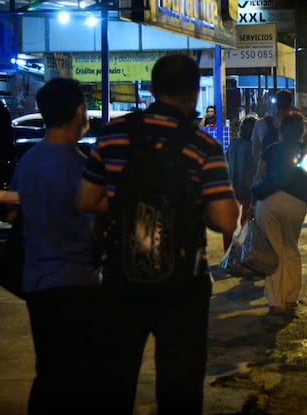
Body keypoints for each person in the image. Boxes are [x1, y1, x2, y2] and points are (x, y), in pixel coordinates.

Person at [77, 53, 240, 414]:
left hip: (120, 279)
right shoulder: (204, 146)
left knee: (112, 384)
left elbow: (86, 198)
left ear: (152, 90)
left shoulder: (114, 133)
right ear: (196, 93)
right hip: (182, 284)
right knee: (179, 389)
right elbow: (226, 221)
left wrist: (125, 202)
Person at [8, 77, 103, 413]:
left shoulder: (28, 162)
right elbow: (98, 225)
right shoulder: (83, 167)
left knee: (48, 370)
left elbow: (11, 215)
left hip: (36, 284)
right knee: (80, 377)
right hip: (77, 284)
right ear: (80, 111)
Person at [253, 111, 307, 316]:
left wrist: (253, 202)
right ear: (301, 131)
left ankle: (275, 302)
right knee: (290, 248)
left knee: (273, 250)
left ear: (281, 131)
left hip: (267, 201)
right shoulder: (306, 149)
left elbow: (258, 175)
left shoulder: (270, 149)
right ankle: (291, 298)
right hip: (295, 202)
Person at [224, 115, 257, 250]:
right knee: (246, 223)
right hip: (248, 190)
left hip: (232, 187)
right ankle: (243, 251)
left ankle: (228, 251)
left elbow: (226, 161)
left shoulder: (234, 143)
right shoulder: (253, 147)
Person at [251, 89, 293, 162]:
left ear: (275, 104)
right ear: (290, 104)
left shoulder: (260, 124)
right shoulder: (295, 123)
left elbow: (255, 151)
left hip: (267, 169)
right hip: (289, 169)